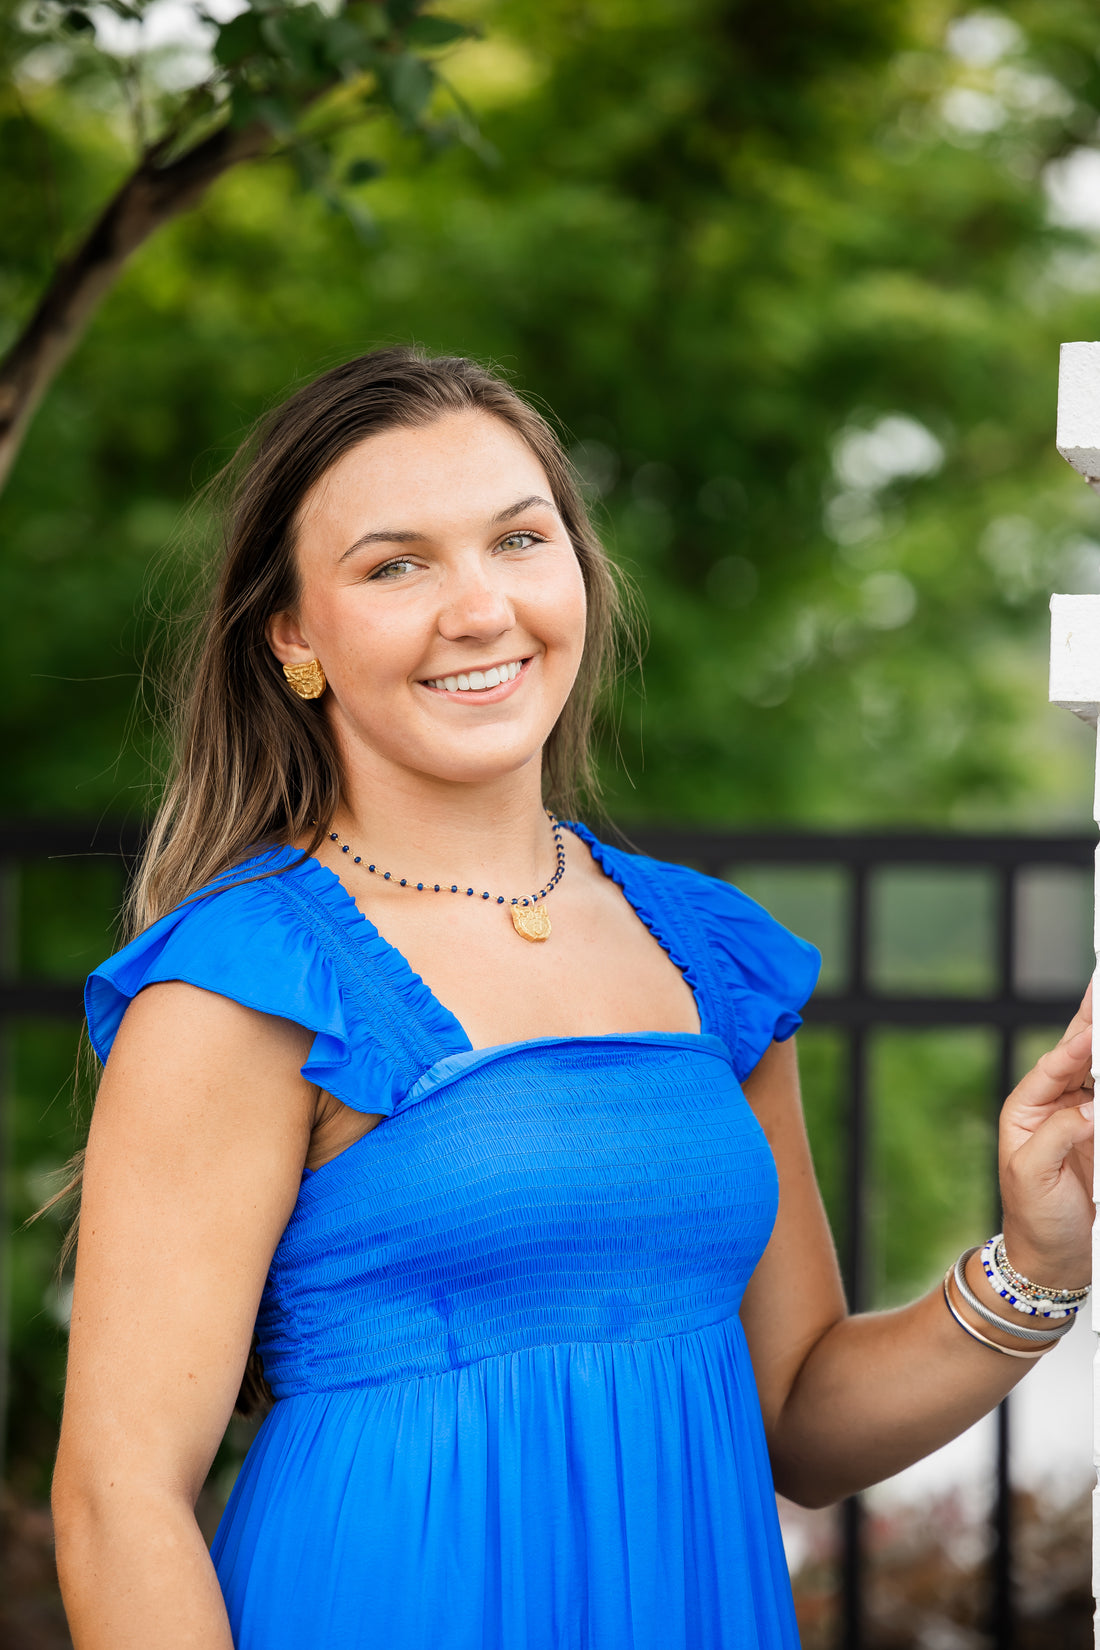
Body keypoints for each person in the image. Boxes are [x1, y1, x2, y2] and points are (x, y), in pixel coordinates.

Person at [50, 348, 1094, 1650]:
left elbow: (806, 1422)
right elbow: (118, 1497)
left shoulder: (705, 954)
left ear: (577, 572)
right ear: (294, 637)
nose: (479, 606)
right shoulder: (245, 986)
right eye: (396, 563)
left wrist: (1040, 1260)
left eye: (517, 537)